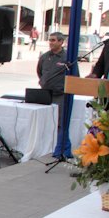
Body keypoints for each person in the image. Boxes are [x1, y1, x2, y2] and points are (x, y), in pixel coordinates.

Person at [38, 32, 73, 160]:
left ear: (61, 42)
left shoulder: (66, 58)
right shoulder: (45, 57)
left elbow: (74, 77)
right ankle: (47, 147)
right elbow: (39, 71)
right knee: (47, 122)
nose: (51, 42)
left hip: (60, 95)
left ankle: (63, 150)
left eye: (53, 40)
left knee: (60, 123)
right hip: (46, 93)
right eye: (50, 40)